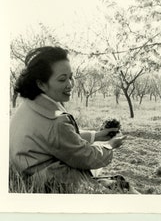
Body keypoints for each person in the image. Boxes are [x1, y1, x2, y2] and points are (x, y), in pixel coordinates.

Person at [9, 46, 137, 193]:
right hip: (53, 187)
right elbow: (85, 156)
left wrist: (97, 135)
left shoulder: (29, 105)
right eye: (62, 79)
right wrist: (109, 145)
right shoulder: (56, 121)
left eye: (71, 77)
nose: (70, 84)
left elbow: (59, 139)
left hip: (32, 179)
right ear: (41, 84)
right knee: (123, 188)